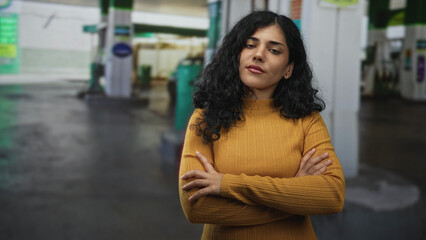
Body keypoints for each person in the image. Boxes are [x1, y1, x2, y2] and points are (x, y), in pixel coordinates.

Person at [178, 10, 345, 240]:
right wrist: (294, 193)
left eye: (274, 50)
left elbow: (332, 195)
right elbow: (196, 208)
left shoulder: (306, 119)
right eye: (250, 45)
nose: (258, 55)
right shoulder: (205, 118)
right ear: (236, 54)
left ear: (288, 69)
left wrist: (227, 184)